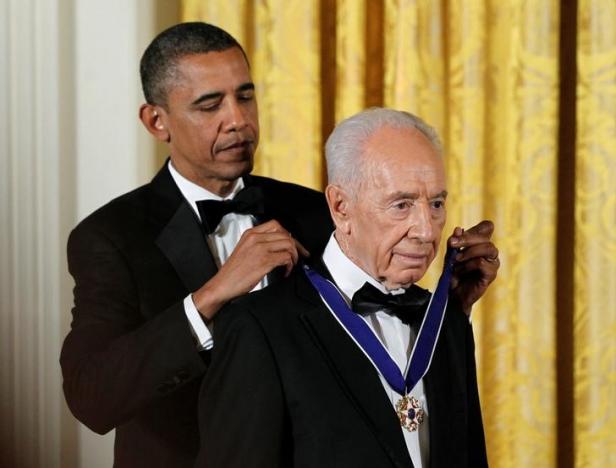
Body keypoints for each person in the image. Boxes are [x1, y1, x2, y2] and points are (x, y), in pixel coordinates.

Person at [60, 22, 496, 468]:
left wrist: (446, 310)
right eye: (210, 105)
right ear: (157, 121)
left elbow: (366, 338)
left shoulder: (316, 210)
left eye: (245, 96)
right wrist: (212, 295)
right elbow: (92, 396)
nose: (237, 120)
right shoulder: (111, 237)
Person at [195, 108, 497, 468]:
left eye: (435, 204)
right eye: (401, 205)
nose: (426, 230)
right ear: (340, 207)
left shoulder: (445, 318)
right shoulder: (261, 327)